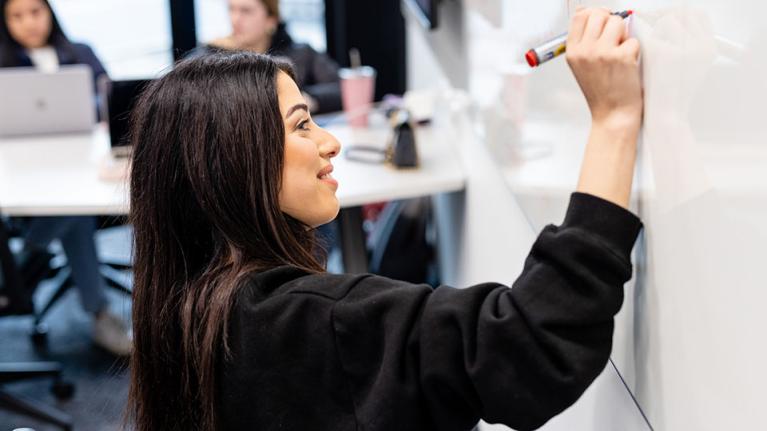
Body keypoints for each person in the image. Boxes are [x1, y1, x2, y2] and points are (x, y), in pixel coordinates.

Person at [127, 7, 643, 431]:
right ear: (234, 161)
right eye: (302, 125)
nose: (330, 141)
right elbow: (531, 350)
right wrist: (614, 121)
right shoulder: (315, 320)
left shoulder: (188, 305)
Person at [0, 0, 131, 356]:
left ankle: (28, 253)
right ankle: (99, 314)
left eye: (36, 12)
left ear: (50, 14)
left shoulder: (79, 52)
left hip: (85, 162)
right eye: (17, 15)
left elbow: (111, 100)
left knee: (74, 209)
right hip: (25, 171)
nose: (29, 22)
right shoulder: (3, 61)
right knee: (74, 211)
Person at [202, 0, 342, 114]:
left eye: (246, 11)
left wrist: (307, 100)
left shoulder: (302, 53)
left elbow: (343, 89)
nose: (235, 19)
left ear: (271, 20)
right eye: (231, 9)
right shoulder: (212, 55)